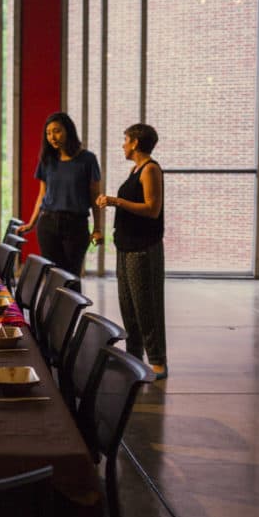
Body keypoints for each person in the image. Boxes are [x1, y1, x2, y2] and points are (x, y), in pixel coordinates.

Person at [97, 123, 167, 379]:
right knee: (128, 305)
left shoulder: (150, 169)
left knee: (146, 306)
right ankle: (134, 357)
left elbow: (152, 209)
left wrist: (116, 201)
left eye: (125, 139)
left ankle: (157, 361)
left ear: (136, 142)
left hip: (143, 248)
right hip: (126, 246)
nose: (123, 144)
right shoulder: (135, 169)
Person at [18, 112, 101, 277]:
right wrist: (32, 223)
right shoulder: (47, 160)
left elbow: (95, 196)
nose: (52, 137)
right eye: (48, 133)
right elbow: (42, 194)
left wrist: (97, 228)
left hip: (76, 225)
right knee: (52, 275)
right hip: (48, 223)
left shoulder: (88, 159)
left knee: (71, 276)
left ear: (68, 130)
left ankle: (74, 304)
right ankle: (51, 304)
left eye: (56, 131)